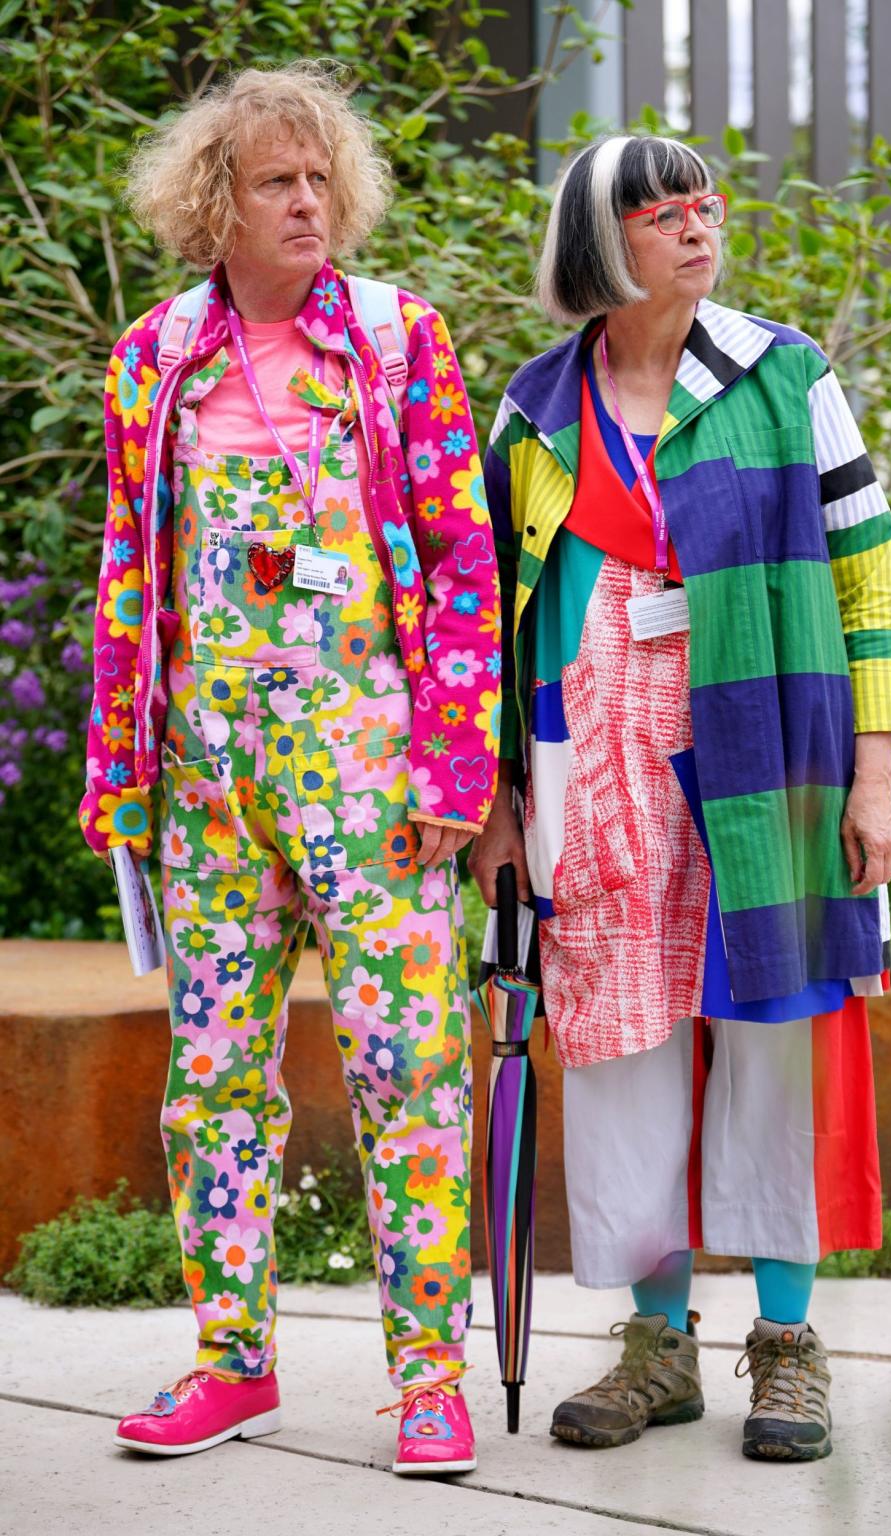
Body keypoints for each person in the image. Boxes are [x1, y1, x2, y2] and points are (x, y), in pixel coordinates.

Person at [79, 62, 501, 1475]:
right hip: (207, 780)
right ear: (219, 203)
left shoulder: (398, 340)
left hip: (372, 771)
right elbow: (130, 576)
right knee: (210, 1077)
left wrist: (455, 766)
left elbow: (461, 566)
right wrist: (119, 772)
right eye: (277, 180)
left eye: (322, 177)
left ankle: (430, 1377)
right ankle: (231, 1361)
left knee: (408, 1066)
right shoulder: (154, 357)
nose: (309, 201)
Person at [471, 134, 891, 1464]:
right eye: (663, 213)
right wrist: (496, 797)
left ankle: (786, 1344)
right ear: (601, 249)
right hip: (586, 763)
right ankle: (658, 1345)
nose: (695, 227)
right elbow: (489, 617)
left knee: (776, 1029)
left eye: (702, 206)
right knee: (618, 1040)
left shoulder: (787, 377)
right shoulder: (539, 410)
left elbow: (865, 571)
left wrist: (876, 772)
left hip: (771, 744)